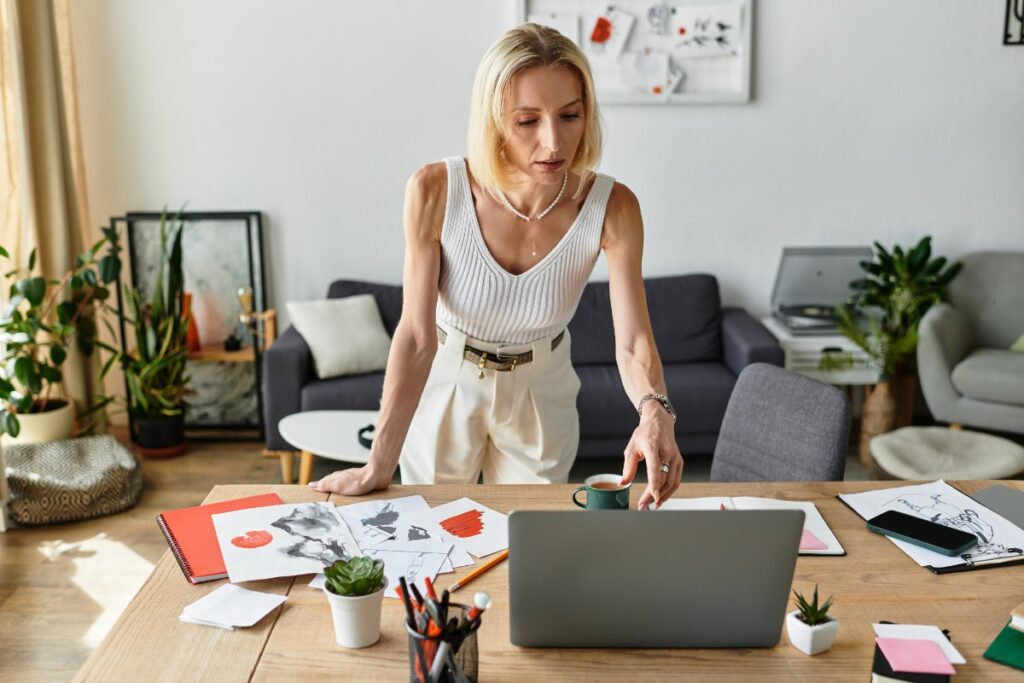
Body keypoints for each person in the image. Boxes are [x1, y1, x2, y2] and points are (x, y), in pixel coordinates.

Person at [310, 23, 683, 510]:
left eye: (569, 115)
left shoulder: (614, 207)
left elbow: (634, 343)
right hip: (448, 379)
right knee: (433, 531)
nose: (553, 143)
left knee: (532, 538)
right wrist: (378, 462)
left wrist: (656, 411)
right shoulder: (435, 190)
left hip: (541, 388)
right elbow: (418, 337)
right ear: (493, 119)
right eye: (528, 121)